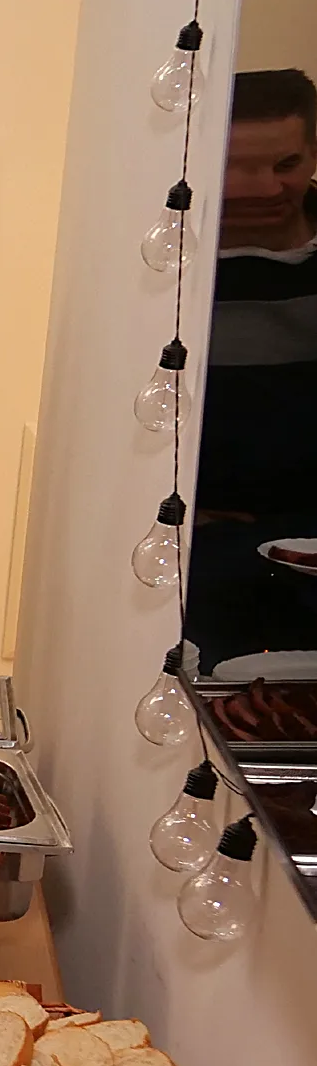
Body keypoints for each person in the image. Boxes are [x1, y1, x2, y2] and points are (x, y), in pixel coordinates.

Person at [188, 68, 317, 664]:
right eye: (234, 166)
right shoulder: (159, 265)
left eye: (284, 165)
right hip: (196, 552)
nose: (261, 188)